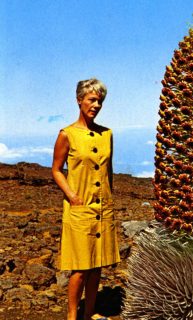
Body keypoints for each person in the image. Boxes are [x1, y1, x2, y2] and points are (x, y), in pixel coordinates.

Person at [52, 78, 120, 320]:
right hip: (79, 208)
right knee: (80, 268)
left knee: (96, 267)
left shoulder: (107, 134)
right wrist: (72, 195)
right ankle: (72, 316)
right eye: (92, 99)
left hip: (103, 209)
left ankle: (90, 313)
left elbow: (108, 172)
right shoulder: (67, 134)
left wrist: (110, 200)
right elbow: (56, 170)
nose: (96, 105)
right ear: (79, 100)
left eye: (100, 100)